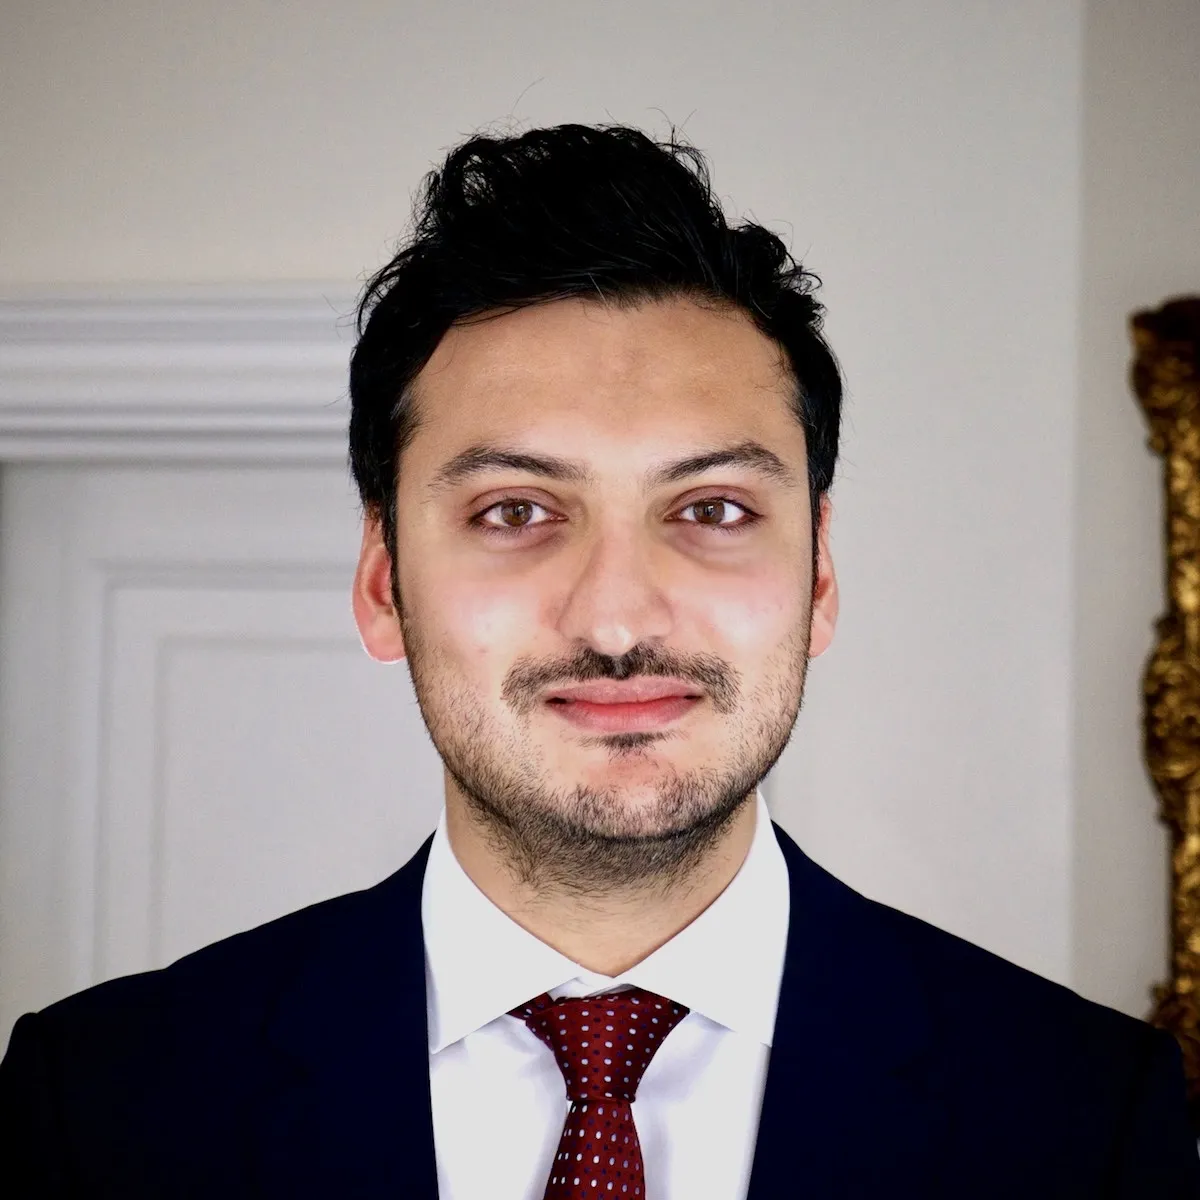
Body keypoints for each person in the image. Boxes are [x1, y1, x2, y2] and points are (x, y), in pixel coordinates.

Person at [0, 123, 1196, 1199]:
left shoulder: (1085, 1118)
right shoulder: (98, 1105)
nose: (618, 620)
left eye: (713, 509)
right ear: (381, 583)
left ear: (820, 576)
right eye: (515, 511)